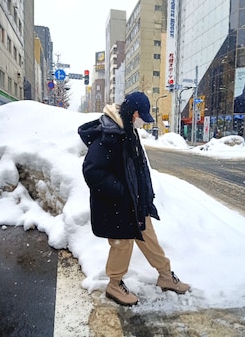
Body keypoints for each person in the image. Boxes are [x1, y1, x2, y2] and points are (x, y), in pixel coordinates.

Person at [78, 91, 191, 306]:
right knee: (122, 244)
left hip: (136, 202)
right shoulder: (109, 133)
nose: (142, 122)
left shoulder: (128, 130)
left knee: (149, 237)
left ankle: (165, 276)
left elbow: (137, 168)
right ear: (134, 113)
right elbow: (92, 171)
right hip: (118, 205)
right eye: (142, 117)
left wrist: (145, 195)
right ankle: (114, 284)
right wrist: (120, 191)